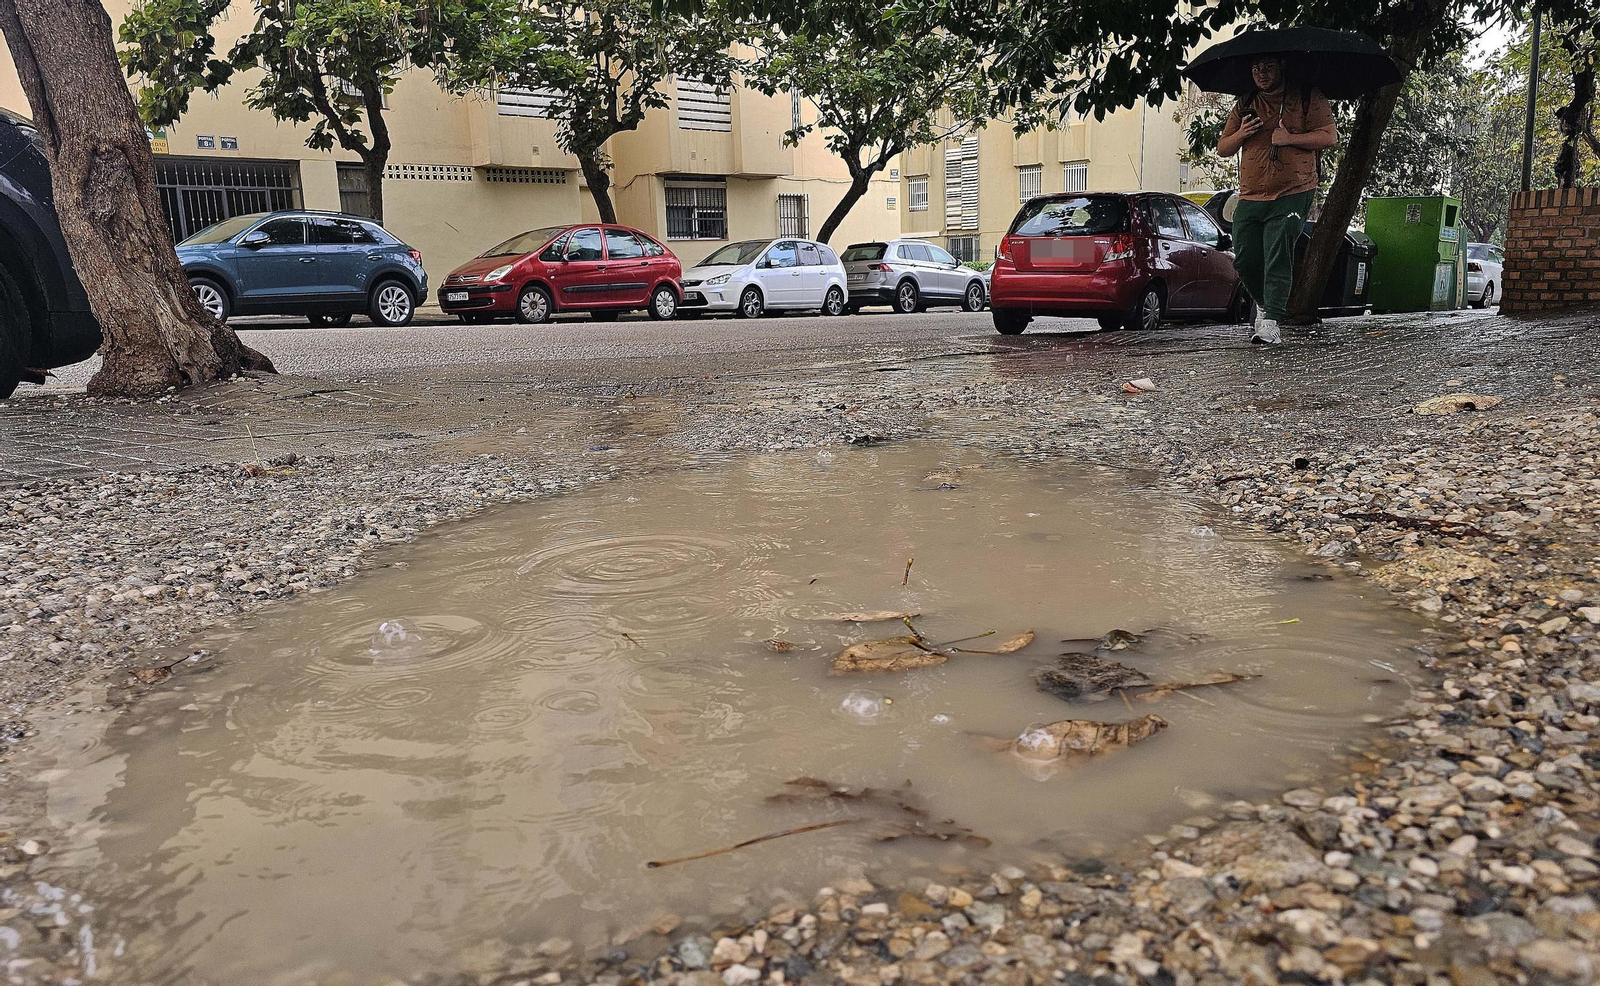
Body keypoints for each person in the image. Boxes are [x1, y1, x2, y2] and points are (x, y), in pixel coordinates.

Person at [1217, 55, 1337, 344]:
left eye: (1268, 66)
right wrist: (1242, 133)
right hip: (1251, 193)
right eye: (1256, 68)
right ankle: (1263, 302)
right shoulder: (1246, 102)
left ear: (1282, 66)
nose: (1262, 73)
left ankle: (1271, 320)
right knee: (1245, 258)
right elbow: (1223, 147)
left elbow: (1329, 136)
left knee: (1277, 252)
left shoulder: (1307, 96)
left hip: (1293, 190)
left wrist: (1289, 138)